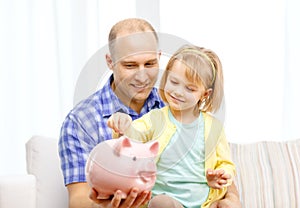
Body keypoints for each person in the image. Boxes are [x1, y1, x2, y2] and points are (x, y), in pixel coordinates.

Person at [59, 18, 241, 208]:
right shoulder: (80, 121)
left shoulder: (177, 103)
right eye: (130, 65)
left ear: (159, 57)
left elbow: (219, 171)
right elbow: (79, 200)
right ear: (110, 62)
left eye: (149, 64)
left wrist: (231, 200)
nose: (142, 76)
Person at [107, 45, 236, 208]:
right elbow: (133, 138)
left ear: (205, 94)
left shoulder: (214, 127)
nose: (178, 92)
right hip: (166, 200)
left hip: (204, 203)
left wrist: (222, 175)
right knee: (161, 203)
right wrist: (123, 125)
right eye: (174, 82)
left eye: (190, 88)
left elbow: (226, 163)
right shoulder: (156, 118)